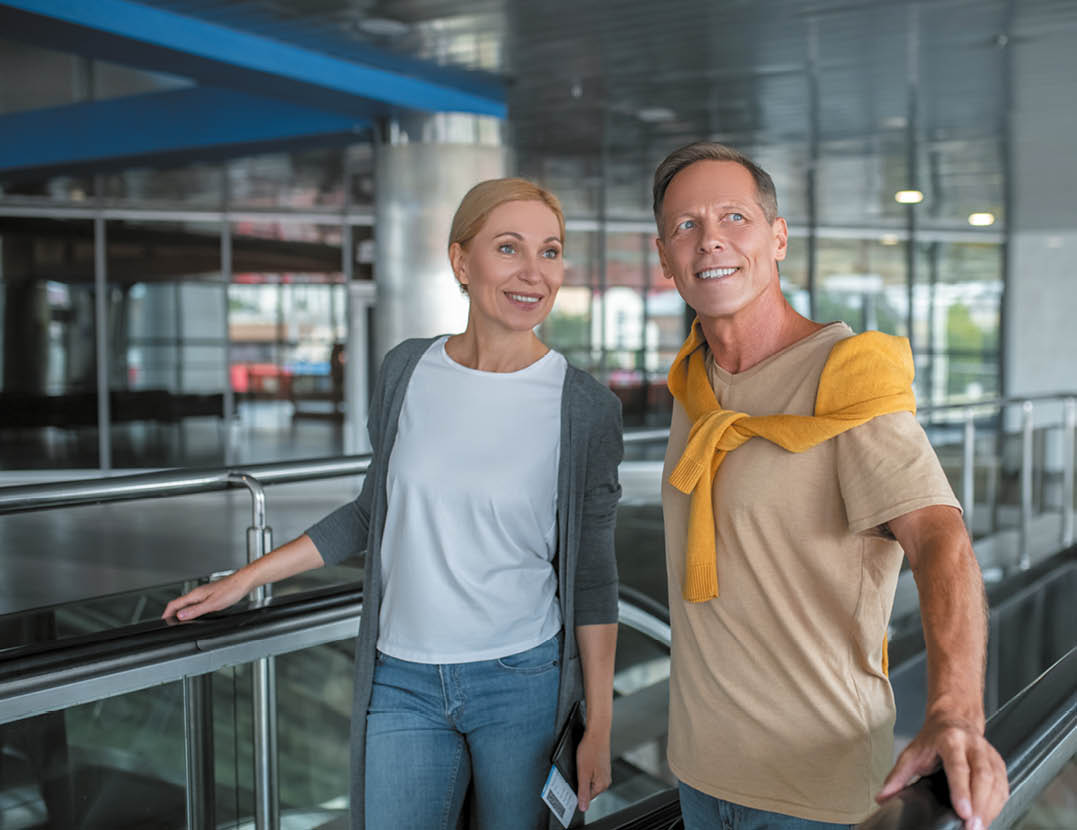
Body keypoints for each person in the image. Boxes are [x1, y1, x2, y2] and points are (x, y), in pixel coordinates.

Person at [163, 178, 623, 830]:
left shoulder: (582, 407)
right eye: (508, 248)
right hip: (402, 679)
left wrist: (599, 724)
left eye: (549, 252)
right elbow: (371, 513)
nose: (533, 272)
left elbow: (594, 578)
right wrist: (243, 579)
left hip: (519, 682)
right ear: (461, 261)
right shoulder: (405, 371)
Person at [651, 142, 1008, 830]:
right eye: (685, 226)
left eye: (734, 217)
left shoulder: (843, 374)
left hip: (813, 796)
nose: (710, 241)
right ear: (665, 257)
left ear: (777, 237)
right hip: (697, 777)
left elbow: (939, 538)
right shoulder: (692, 381)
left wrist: (954, 713)